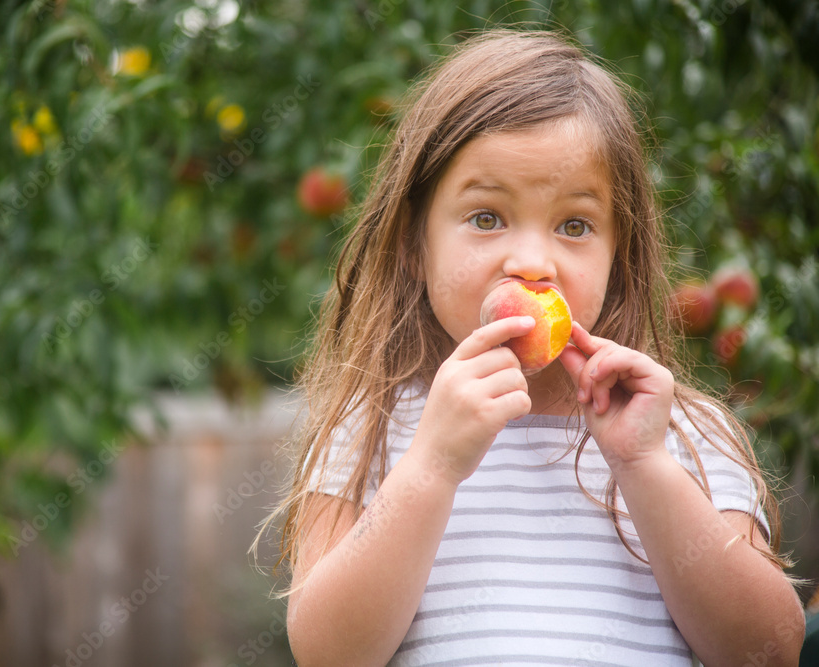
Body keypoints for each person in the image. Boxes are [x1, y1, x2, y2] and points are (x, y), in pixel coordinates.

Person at [262, 29, 805, 665]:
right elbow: (328, 653)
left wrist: (644, 465)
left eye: (574, 225)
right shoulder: (373, 428)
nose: (532, 262)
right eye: (486, 217)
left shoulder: (682, 433)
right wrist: (433, 465)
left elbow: (769, 651)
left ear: (619, 256)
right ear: (413, 245)